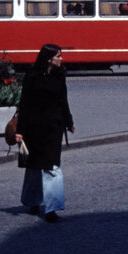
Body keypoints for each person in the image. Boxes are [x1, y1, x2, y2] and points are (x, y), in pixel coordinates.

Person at [15, 44, 75, 223]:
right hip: (34, 129)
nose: (61, 59)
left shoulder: (59, 76)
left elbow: (63, 100)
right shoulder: (32, 77)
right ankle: (33, 201)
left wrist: (69, 121)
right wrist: (20, 131)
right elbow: (24, 104)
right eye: (58, 56)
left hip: (53, 128)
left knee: (52, 167)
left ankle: (52, 208)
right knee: (34, 168)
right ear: (48, 58)